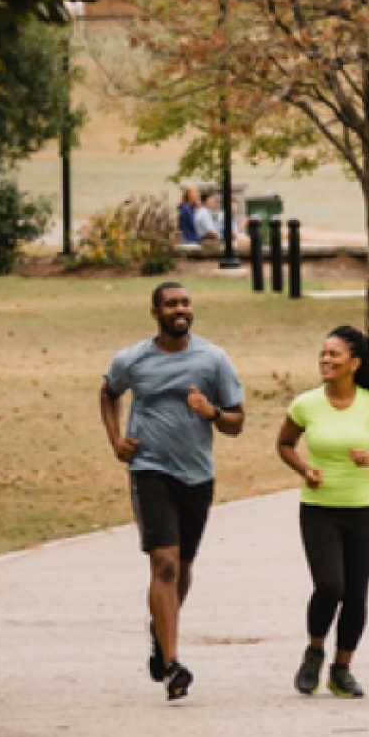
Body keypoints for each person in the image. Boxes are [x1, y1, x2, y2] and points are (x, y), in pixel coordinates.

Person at [100, 282, 245, 700]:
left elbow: (236, 422)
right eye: (170, 304)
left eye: (185, 303)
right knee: (163, 562)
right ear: (155, 312)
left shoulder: (213, 359)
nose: (180, 309)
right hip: (150, 470)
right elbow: (109, 392)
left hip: (197, 475)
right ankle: (172, 663)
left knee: (181, 569)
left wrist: (212, 412)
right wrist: (116, 440)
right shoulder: (133, 359)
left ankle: (159, 631)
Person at [276, 326, 369, 699]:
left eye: (334, 355)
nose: (325, 360)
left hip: (361, 509)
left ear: (354, 363)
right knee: (330, 585)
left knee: (356, 593)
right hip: (318, 509)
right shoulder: (306, 404)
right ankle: (314, 652)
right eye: (323, 353)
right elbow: (285, 444)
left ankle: (342, 669)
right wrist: (303, 469)